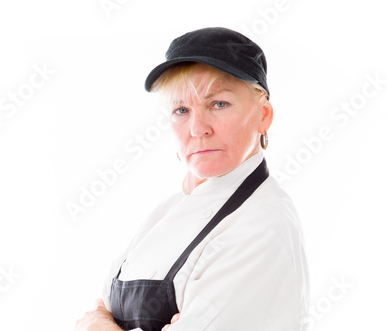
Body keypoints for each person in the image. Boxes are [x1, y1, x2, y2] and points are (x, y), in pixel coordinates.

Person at [75, 27, 309, 331]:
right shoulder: (165, 212)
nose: (198, 128)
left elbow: (96, 319)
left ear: (263, 114)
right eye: (181, 109)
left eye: (219, 104)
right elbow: (101, 304)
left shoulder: (261, 226)